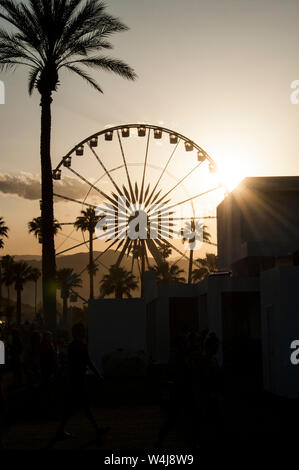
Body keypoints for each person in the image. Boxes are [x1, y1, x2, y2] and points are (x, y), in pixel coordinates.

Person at [55, 323, 109, 441]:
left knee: (75, 407)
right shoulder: (81, 346)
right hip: (78, 380)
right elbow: (88, 362)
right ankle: (97, 429)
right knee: (83, 407)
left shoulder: (72, 346)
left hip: (75, 379)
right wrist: (98, 374)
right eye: (83, 331)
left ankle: (61, 430)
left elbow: (72, 365)